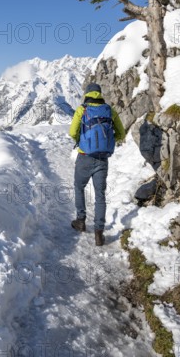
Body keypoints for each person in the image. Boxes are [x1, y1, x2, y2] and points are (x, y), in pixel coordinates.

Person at [69, 83, 125, 246]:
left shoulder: (82, 109)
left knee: (79, 187)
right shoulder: (109, 110)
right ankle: (99, 233)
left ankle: (81, 221)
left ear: (87, 94)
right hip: (102, 158)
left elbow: (72, 132)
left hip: (85, 156)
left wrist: (82, 140)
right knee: (100, 194)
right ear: (99, 94)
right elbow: (121, 133)